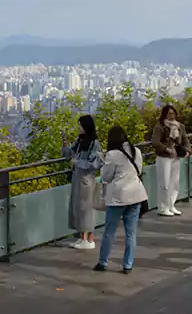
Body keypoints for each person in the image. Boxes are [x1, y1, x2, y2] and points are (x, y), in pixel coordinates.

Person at [94, 125, 147, 274]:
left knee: (109, 231)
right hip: (136, 195)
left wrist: (104, 162)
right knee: (131, 233)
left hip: (118, 197)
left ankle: (103, 262)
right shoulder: (136, 151)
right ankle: (128, 265)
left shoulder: (112, 154)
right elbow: (140, 171)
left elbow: (106, 176)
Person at [63, 115, 102, 250]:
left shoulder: (94, 143)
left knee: (87, 209)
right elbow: (68, 154)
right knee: (78, 208)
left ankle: (89, 239)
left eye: (80, 125)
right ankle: (82, 237)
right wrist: (65, 146)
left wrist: (77, 162)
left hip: (86, 179)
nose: (79, 128)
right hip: (77, 178)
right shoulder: (79, 141)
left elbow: (95, 164)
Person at [150, 104, 190, 217]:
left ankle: (171, 205)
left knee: (175, 183)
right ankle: (163, 207)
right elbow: (155, 142)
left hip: (176, 156)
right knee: (164, 183)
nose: (171, 115)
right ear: (164, 115)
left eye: (173, 113)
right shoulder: (160, 127)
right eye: (169, 113)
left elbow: (185, 139)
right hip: (164, 157)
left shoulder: (179, 126)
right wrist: (166, 149)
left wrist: (187, 151)